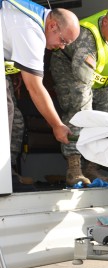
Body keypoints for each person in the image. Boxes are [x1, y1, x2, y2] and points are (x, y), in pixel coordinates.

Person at [50, 2, 108, 186]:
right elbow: (83, 83)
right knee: (80, 112)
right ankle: (74, 167)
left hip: (101, 77)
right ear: (106, 21)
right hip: (71, 70)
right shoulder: (87, 38)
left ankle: (92, 167)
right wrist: (88, 108)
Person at [2, 0, 80, 188]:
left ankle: (4, 175)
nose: (62, 47)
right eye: (63, 40)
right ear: (52, 25)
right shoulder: (31, 30)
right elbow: (35, 88)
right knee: (4, 112)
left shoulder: (37, 15)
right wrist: (57, 125)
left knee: (8, 110)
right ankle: (2, 178)